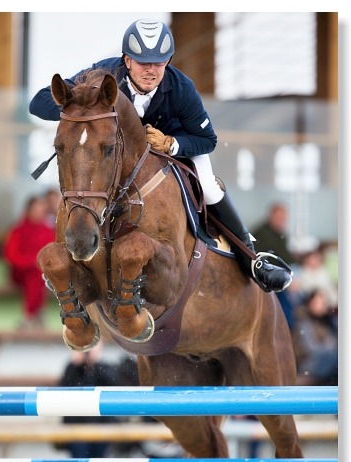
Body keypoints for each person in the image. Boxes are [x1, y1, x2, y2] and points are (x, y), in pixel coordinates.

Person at [29, 18, 292, 294]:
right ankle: (72, 262)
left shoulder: (181, 88)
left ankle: (252, 258)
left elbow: (207, 140)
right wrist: (78, 103)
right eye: (144, 62)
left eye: (159, 62)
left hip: (175, 148)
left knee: (210, 186)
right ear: (127, 60)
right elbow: (39, 102)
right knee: (90, 182)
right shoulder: (105, 74)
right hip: (122, 155)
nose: (152, 70)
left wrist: (171, 144)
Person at [58, 342, 118, 462]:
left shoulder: (106, 368)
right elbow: (62, 391)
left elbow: (113, 386)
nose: (88, 350)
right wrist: (75, 365)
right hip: (77, 431)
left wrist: (95, 364)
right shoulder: (71, 368)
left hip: (100, 432)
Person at [3, 195, 55, 329]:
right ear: (29, 210)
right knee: (36, 273)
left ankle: (29, 317)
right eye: (37, 209)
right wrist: (31, 262)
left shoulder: (48, 231)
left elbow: (53, 255)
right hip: (19, 273)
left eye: (42, 210)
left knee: (37, 275)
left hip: (40, 273)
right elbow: (11, 255)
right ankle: (37, 314)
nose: (39, 213)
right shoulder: (18, 230)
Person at [291, 288, 338, 386]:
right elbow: (311, 348)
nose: (321, 305)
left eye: (323, 302)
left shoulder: (328, 322)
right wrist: (330, 348)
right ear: (309, 303)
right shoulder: (302, 321)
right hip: (307, 366)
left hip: (324, 365)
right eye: (318, 302)